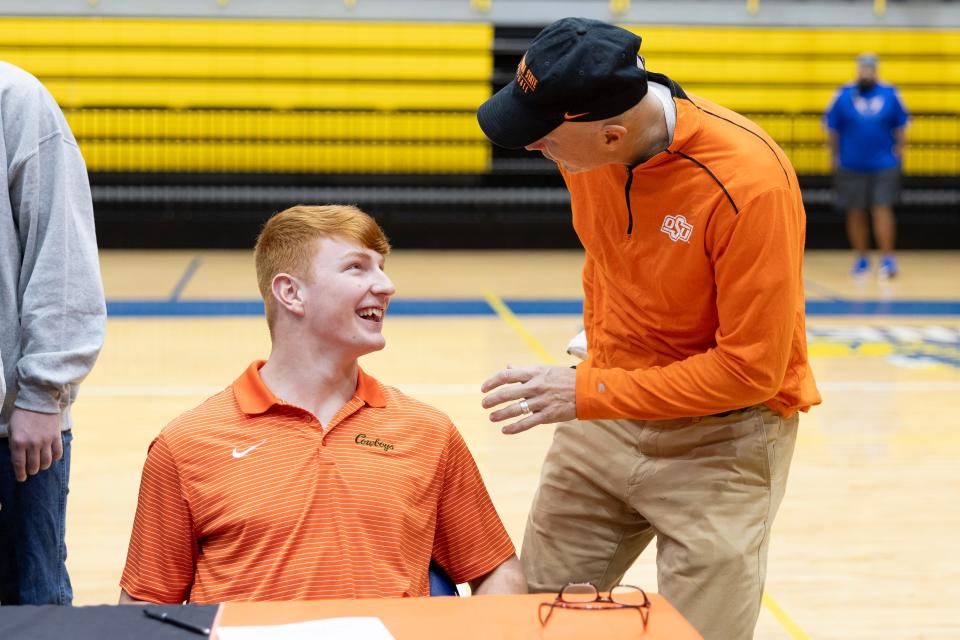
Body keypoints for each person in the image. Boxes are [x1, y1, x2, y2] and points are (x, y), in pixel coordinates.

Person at [476, 18, 821, 640]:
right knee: (532, 620)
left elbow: (751, 371)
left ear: (611, 134)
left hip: (722, 443)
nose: (534, 149)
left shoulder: (750, 186)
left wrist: (587, 392)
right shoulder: (585, 152)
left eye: (545, 140)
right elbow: (610, 254)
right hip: (605, 416)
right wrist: (606, 341)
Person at [119, 204, 525, 604]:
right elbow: (145, 605)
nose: (386, 285)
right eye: (357, 267)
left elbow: (496, 569)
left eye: (382, 267)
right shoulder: (187, 444)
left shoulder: (427, 431)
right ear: (291, 293)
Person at [0, 61, 107, 605]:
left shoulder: (13, 98)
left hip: (9, 431)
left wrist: (43, 395)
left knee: (31, 609)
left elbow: (60, 253)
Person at [826, 53, 909, 278]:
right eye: (862, 68)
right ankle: (861, 258)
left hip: (884, 164)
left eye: (869, 68)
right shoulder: (843, 94)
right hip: (850, 163)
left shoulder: (890, 93)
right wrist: (836, 157)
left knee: (882, 208)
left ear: (876, 70)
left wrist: (898, 152)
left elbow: (902, 125)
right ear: (857, 70)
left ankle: (887, 258)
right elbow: (832, 127)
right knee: (855, 211)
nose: (865, 72)